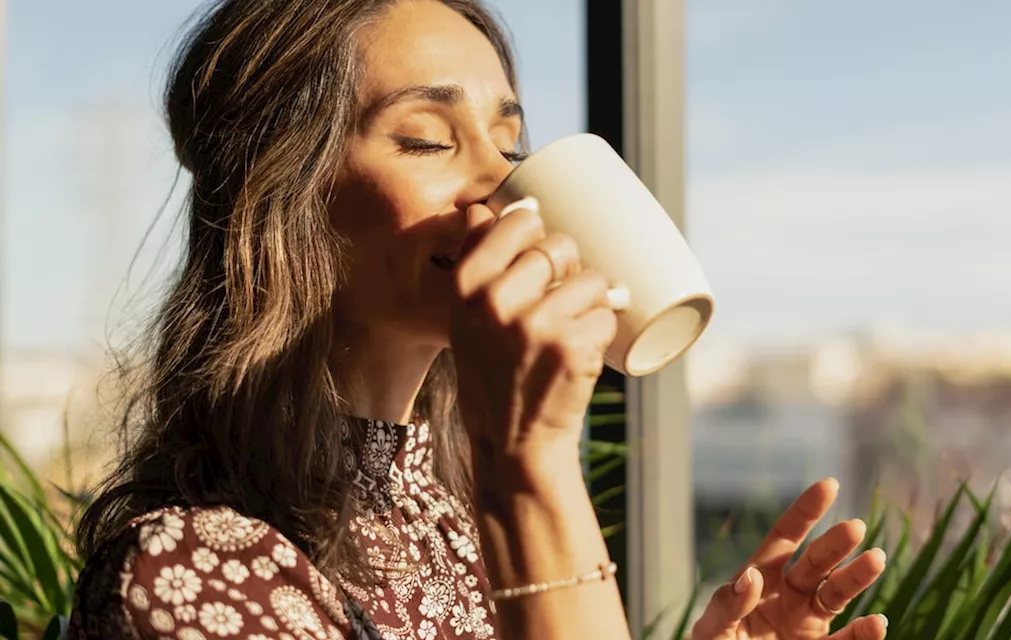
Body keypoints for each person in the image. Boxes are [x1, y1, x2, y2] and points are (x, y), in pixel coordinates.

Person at [66, 1, 889, 638]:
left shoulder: (453, 515)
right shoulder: (195, 568)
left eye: (509, 137)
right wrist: (529, 459)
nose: (501, 180)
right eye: (427, 140)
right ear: (282, 198)